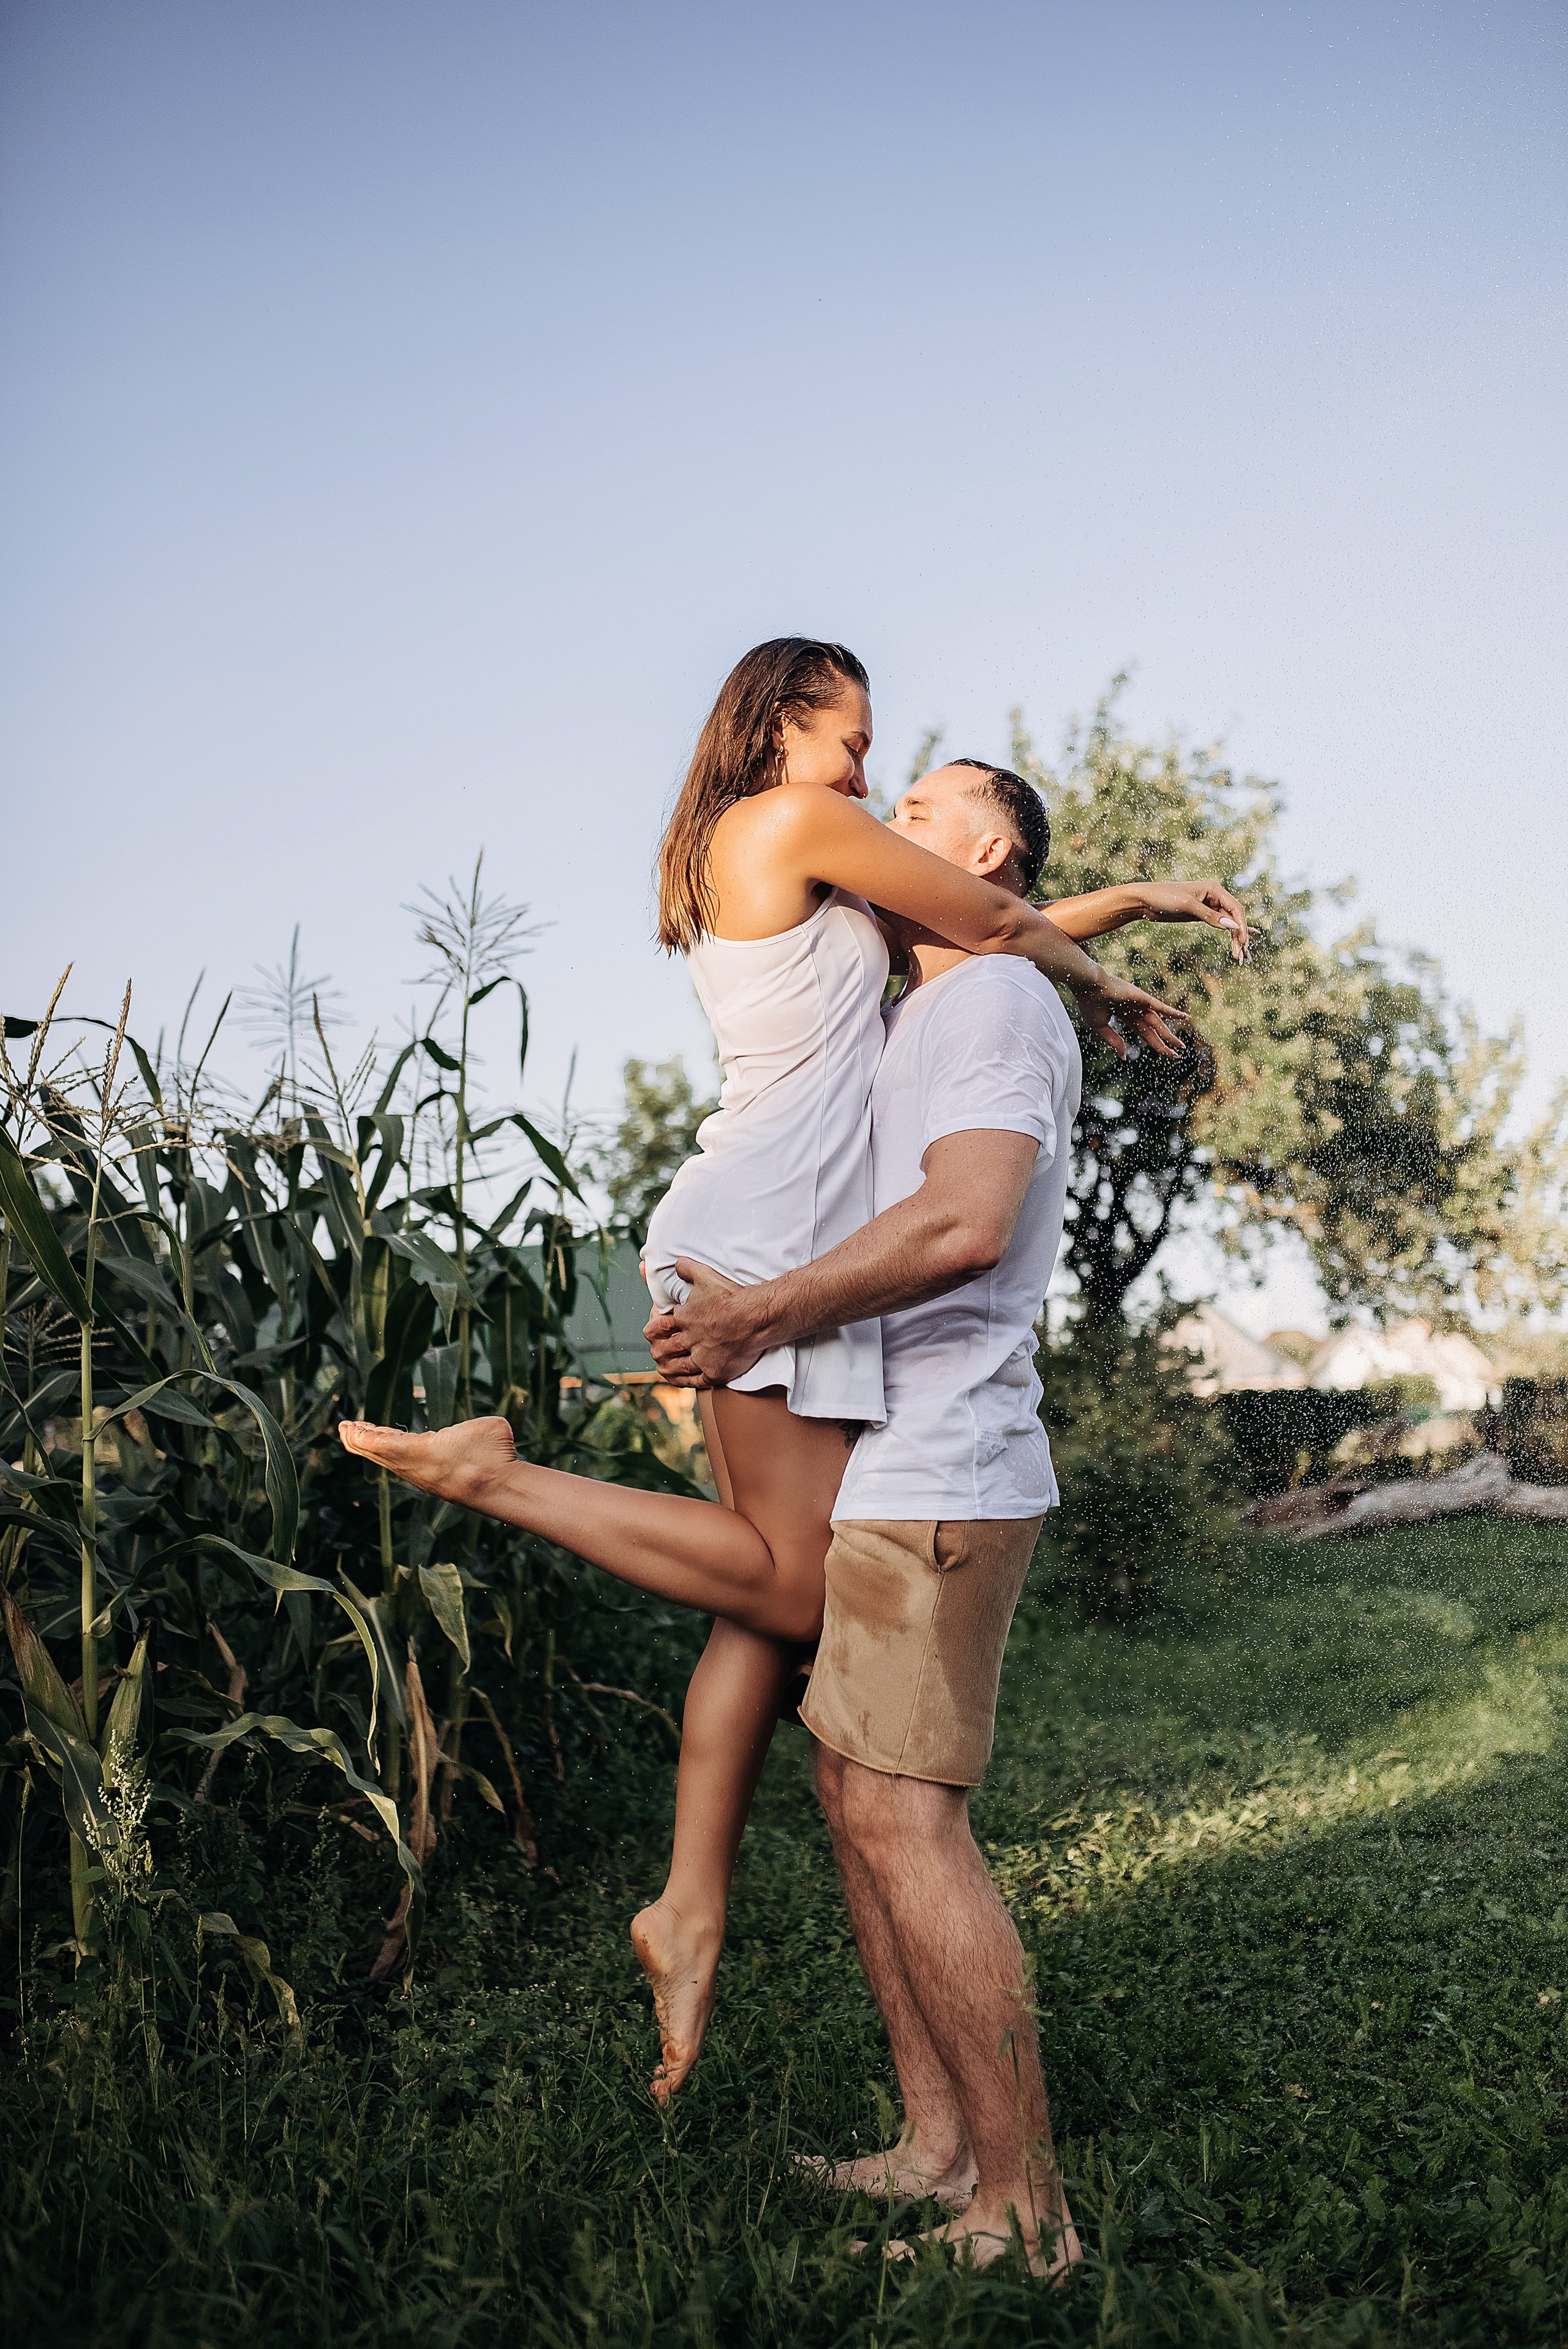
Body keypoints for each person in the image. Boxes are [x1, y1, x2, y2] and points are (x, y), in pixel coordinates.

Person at [339, 636, 1246, 2103]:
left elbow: (974, 930)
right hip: (764, 1235)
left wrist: (1117, 923)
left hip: (778, 1232)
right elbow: (990, 915)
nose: (865, 771)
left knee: (768, 1600)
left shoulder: (801, 856)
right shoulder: (785, 822)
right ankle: (504, 1479)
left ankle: (688, 1904)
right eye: (852, 737)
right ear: (779, 723)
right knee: (793, 1582)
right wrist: (1109, 970)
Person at [644, 757, 1096, 2275]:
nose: (874, 826)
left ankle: (1022, 2204)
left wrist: (762, 1313)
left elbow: (967, 1222)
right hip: (884, 1461)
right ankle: (933, 2141)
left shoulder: (988, 1009)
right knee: (857, 1804)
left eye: (914, 809)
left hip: (944, 1472)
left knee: (908, 1819)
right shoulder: (920, 1008)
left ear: (984, 853)